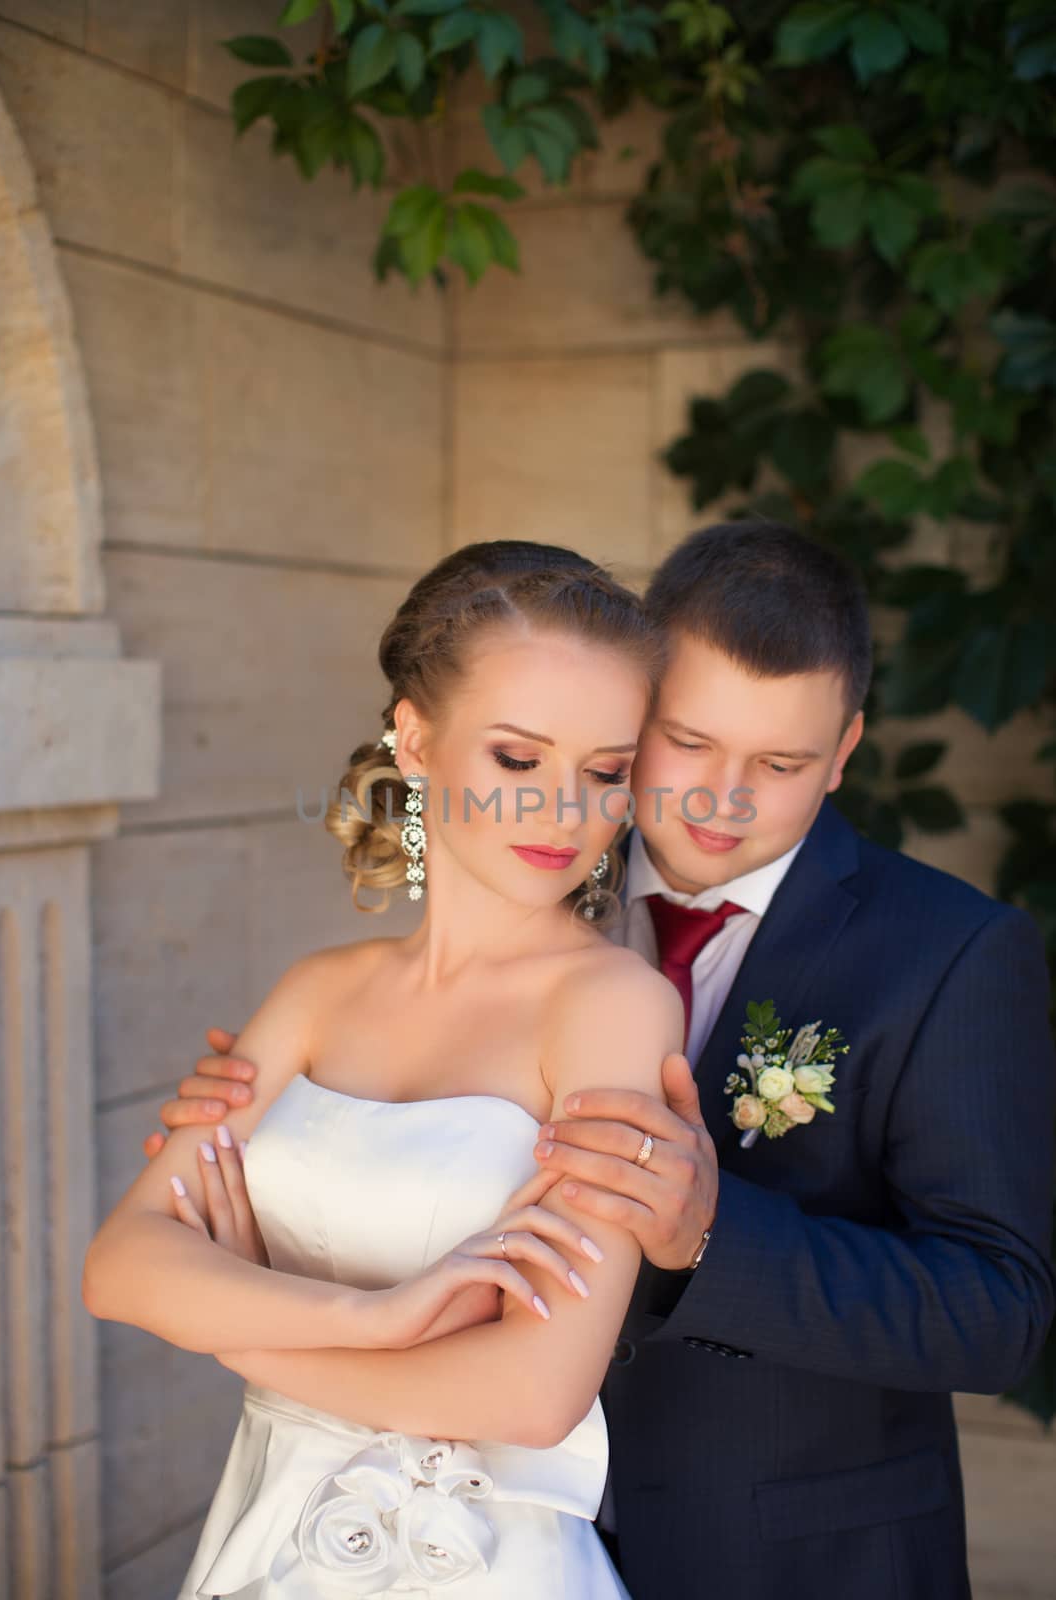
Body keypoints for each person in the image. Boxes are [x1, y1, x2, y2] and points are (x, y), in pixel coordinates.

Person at [158, 521, 1056, 1600]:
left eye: (779, 764)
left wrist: (714, 1236)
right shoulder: (536, 862)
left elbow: (994, 1313)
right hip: (476, 1532)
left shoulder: (946, 952)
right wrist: (286, 1122)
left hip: (783, 1556)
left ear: (845, 751)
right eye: (685, 742)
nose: (722, 800)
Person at [85, 544, 689, 1599]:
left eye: (603, 771)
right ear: (414, 738)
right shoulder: (318, 990)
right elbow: (121, 1265)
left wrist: (239, 1332)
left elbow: (535, 1394)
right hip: (265, 1535)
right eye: (516, 758)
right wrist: (369, 1319)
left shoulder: (611, 1006)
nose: (562, 810)